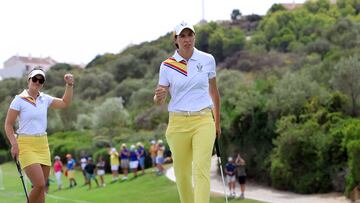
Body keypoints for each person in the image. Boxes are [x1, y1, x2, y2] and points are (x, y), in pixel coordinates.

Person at [154, 21, 221, 203]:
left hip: (203, 120)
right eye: (182, 36)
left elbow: (214, 92)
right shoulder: (167, 65)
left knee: (201, 170)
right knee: (182, 176)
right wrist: (159, 96)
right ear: (175, 40)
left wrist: (217, 123)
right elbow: (159, 100)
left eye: (189, 35)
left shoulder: (207, 59)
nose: (186, 39)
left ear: (194, 37)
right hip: (178, 123)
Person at [4, 68, 74, 203]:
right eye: (34, 79)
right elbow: (8, 125)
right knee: (39, 184)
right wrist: (14, 144)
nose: (37, 82)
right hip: (25, 144)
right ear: (29, 80)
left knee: (42, 188)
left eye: (40, 80)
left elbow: (65, 103)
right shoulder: (19, 100)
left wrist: (69, 85)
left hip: (43, 144)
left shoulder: (45, 99)